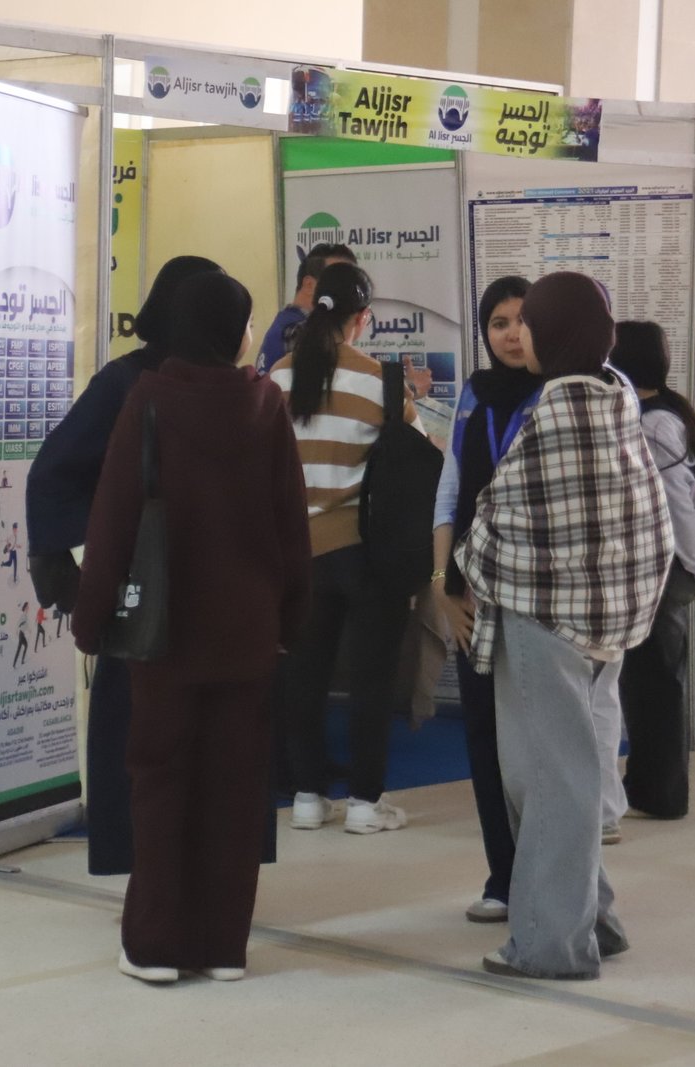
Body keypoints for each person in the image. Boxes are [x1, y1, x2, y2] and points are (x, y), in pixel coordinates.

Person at [71, 273, 312, 985]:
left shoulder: (148, 399)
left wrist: (90, 618)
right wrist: (291, 619)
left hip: (165, 633)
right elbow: (291, 528)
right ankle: (222, 945)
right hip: (248, 633)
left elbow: (113, 519)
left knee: (161, 780)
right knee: (235, 787)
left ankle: (155, 945)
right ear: (226, 330)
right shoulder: (266, 405)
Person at [452, 271, 673, 980]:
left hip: (542, 616)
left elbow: (497, 520)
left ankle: (550, 944)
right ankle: (593, 918)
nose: (520, 334)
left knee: (547, 779)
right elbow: (647, 516)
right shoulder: (616, 397)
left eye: (529, 322)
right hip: (606, 614)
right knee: (568, 772)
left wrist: (464, 565)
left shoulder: (554, 411)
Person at [25, 254, 224, 876]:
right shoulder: (126, 381)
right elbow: (55, 470)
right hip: (139, 590)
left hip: (210, 592)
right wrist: (66, 567)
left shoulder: (231, 385)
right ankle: (135, 861)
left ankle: (195, 866)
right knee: (132, 728)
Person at [271, 262, 423, 835]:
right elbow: (412, 461)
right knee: (372, 678)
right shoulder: (381, 381)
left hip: (297, 555)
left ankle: (307, 797)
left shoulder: (276, 378)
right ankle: (364, 802)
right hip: (366, 552)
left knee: (303, 677)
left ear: (314, 308)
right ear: (364, 319)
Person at [431, 274, 534, 923]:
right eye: (499, 322)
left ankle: (547, 877)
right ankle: (503, 876)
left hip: (536, 598)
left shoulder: (561, 393)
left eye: (523, 320)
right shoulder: (473, 392)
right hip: (473, 593)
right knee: (484, 737)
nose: (512, 334)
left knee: (537, 745)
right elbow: (450, 489)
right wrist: (441, 584)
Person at [607, 321, 695, 821]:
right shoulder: (659, 414)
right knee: (650, 684)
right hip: (659, 569)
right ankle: (649, 787)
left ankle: (661, 793)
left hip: (662, 570)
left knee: (656, 687)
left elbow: (680, 504)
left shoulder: (654, 423)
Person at [256, 243, 356, 375]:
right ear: (309, 285)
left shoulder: (287, 323)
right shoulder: (299, 331)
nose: (346, 291)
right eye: (337, 281)